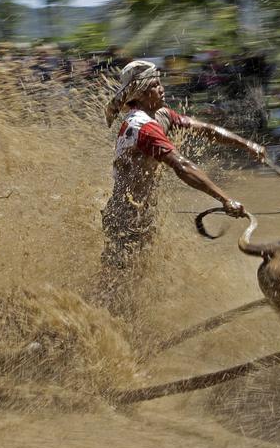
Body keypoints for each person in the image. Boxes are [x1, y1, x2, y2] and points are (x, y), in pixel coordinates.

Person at [98, 60, 265, 315]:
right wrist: (225, 199)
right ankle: (85, 328)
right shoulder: (142, 127)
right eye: (155, 85)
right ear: (141, 94)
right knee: (116, 287)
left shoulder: (161, 115)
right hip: (125, 219)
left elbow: (205, 129)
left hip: (141, 215)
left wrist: (247, 145)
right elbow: (182, 166)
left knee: (134, 283)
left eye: (160, 82)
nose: (162, 89)